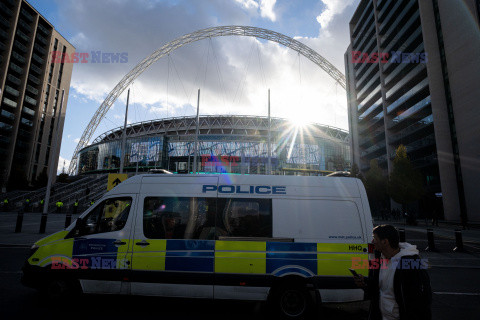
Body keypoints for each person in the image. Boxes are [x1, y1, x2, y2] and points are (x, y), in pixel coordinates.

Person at [354, 225, 432, 320]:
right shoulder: (379, 258)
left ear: (385, 242)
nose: (372, 242)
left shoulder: (411, 262)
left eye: (375, 238)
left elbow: (422, 299)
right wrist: (364, 284)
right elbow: (377, 289)